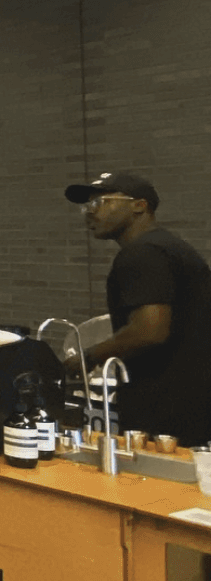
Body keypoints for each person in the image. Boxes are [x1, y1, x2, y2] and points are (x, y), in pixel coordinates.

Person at [64, 171, 211, 443]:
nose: (89, 213)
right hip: (192, 403)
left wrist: (90, 356)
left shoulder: (142, 253)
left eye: (100, 203)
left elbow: (149, 330)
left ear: (139, 205)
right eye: (87, 206)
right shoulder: (169, 247)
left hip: (167, 409)